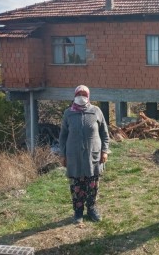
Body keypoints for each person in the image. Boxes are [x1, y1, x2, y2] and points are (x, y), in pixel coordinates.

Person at [59, 85, 110, 224]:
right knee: (76, 185)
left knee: (92, 184)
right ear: (75, 95)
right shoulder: (68, 113)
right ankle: (78, 212)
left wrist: (104, 151)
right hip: (74, 156)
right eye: (79, 93)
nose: (81, 96)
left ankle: (92, 209)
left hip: (93, 155)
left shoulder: (96, 111)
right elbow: (63, 136)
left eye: (84, 93)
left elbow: (105, 134)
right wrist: (62, 155)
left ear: (88, 96)